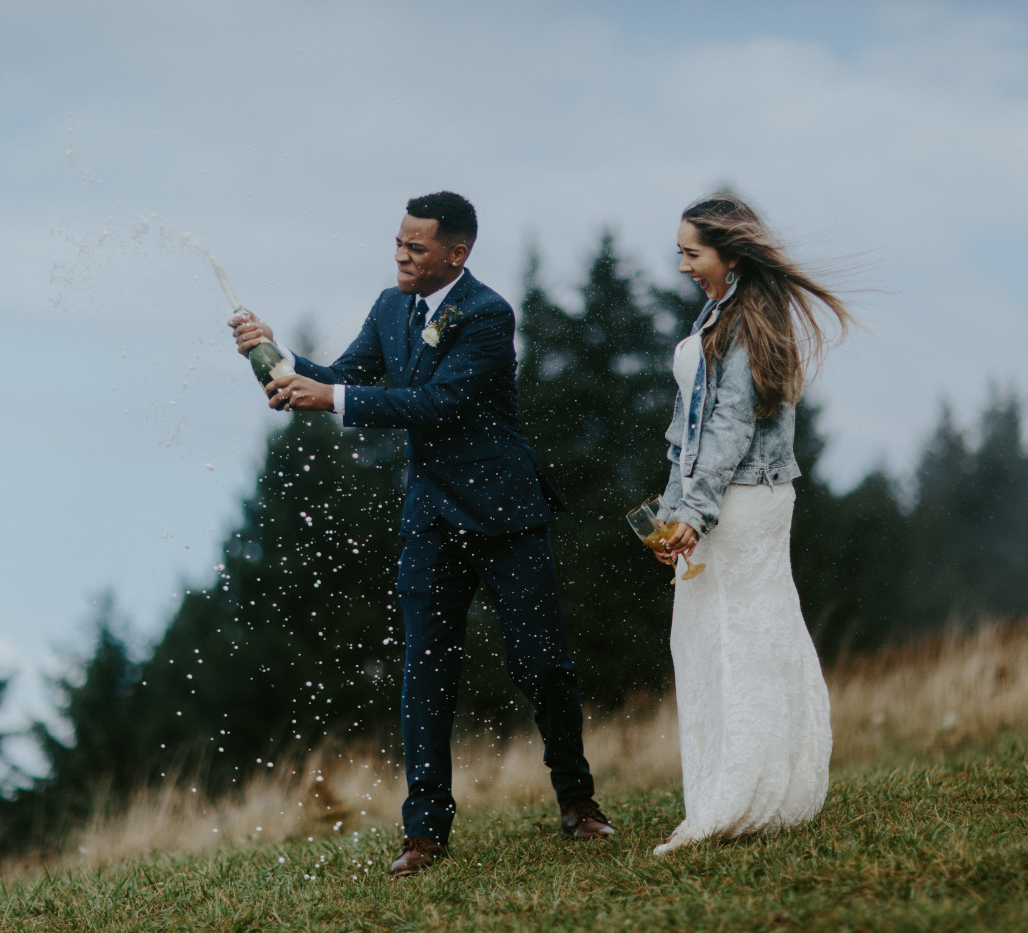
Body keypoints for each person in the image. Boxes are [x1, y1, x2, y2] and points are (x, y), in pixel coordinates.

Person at [230, 191, 614, 878]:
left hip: (505, 514)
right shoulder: (389, 308)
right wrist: (275, 356)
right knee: (425, 673)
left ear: (455, 254)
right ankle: (425, 834)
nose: (400, 256)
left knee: (543, 663)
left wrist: (334, 400)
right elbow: (343, 377)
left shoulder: (490, 314)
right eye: (398, 243)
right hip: (430, 521)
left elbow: (438, 404)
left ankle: (578, 801)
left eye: (415, 247)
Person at [650, 192, 852, 856]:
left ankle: (736, 800)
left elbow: (731, 427)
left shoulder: (749, 323)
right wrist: (674, 506)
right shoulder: (719, 312)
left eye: (691, 252)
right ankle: (743, 789)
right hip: (718, 493)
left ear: (729, 255)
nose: (682, 265)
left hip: (742, 497)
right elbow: (691, 428)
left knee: (738, 634)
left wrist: (696, 510)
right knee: (710, 634)